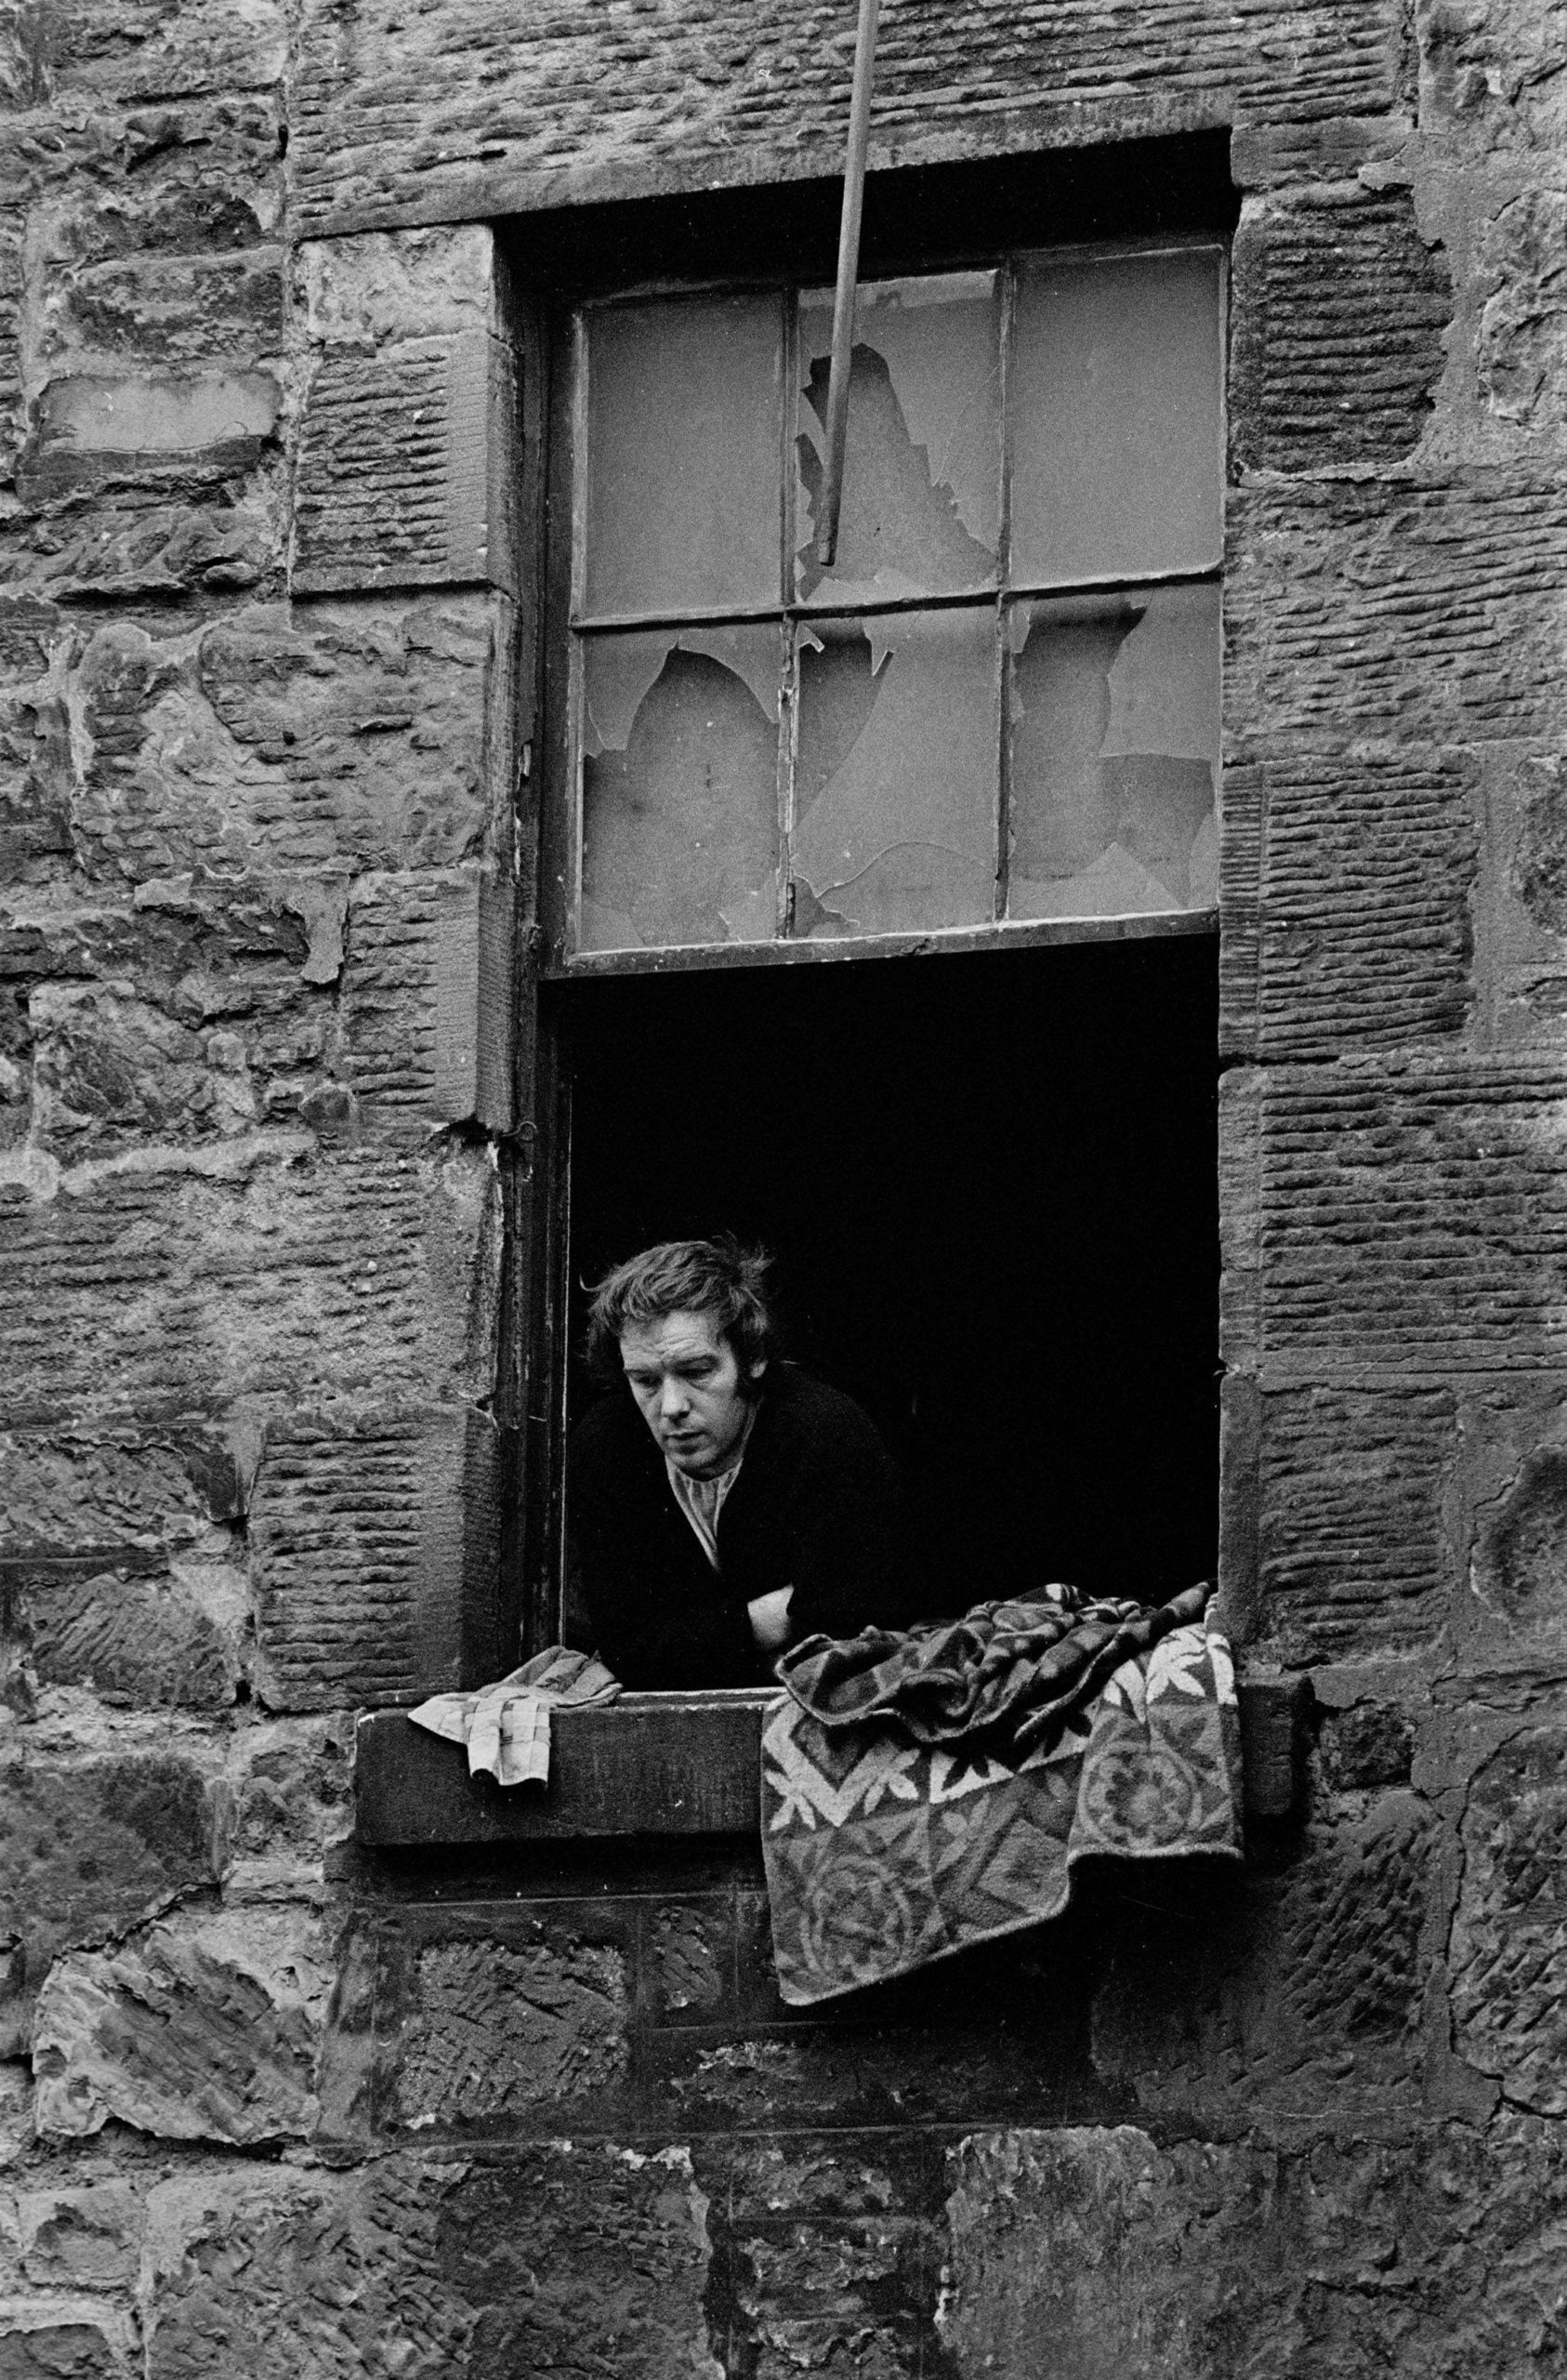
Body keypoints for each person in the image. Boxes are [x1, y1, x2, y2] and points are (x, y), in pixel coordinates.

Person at [568, 1236, 914, 1690]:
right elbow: (629, 1650)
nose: (671, 1405)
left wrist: (698, 1632)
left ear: (752, 1359)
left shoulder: (825, 1435)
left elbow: (856, 1624)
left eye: (696, 1372)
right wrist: (774, 1616)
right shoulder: (607, 1446)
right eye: (646, 1380)